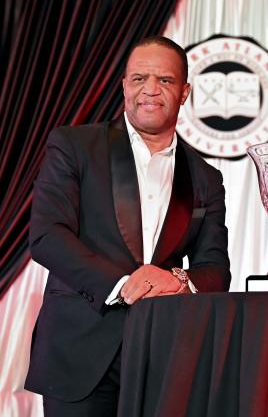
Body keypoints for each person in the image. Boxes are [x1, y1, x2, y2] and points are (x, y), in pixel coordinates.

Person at [25, 36, 232, 416]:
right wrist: (123, 284)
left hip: (165, 358)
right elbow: (46, 236)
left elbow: (216, 269)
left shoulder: (206, 177)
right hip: (79, 354)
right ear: (123, 86)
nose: (150, 90)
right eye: (139, 78)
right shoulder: (74, 145)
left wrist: (179, 280)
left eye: (165, 81)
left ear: (185, 91)